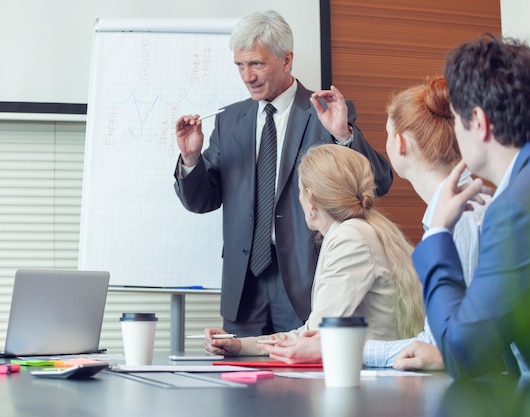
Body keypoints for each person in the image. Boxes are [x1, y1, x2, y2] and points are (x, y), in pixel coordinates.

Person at [173, 10, 393, 337]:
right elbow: (202, 201)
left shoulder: (325, 113)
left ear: (287, 59)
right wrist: (190, 158)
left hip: (305, 280)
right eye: (240, 65)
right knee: (240, 382)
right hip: (244, 286)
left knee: (302, 382)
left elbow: (379, 182)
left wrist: (344, 135)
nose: (247, 76)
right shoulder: (229, 120)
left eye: (257, 64)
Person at [255, 77, 489, 367]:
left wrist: (336, 349)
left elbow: (442, 348)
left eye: (387, 133)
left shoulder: (461, 216)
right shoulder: (451, 213)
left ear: (400, 144)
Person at [203, 144, 423, 357]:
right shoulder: (360, 230)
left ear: (311, 197)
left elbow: (312, 337)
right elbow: (311, 334)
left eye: (299, 191)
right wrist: (240, 345)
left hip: (367, 378)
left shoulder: (349, 237)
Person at [413, 34, 530, 379]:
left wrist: (437, 232)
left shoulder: (512, 209)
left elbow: (465, 351)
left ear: (478, 121)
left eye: (454, 118)